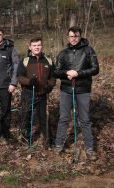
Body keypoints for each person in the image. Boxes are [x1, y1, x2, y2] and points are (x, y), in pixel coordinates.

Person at [53, 26, 99, 160]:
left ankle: (90, 148)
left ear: (80, 36)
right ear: (68, 37)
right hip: (66, 90)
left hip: (83, 89)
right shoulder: (63, 53)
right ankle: (59, 144)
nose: (73, 39)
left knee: (84, 119)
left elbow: (95, 69)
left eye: (76, 36)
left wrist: (78, 73)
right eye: (71, 36)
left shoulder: (88, 50)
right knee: (63, 118)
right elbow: (56, 71)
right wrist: (66, 73)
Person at [17, 37, 55, 147]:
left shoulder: (48, 60)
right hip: (28, 94)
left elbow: (53, 77)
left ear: (42, 46)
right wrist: (29, 81)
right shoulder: (25, 61)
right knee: (26, 116)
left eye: (38, 45)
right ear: (30, 47)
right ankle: (25, 139)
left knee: (44, 118)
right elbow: (19, 77)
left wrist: (50, 86)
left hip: (42, 94)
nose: (36, 47)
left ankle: (48, 141)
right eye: (34, 45)